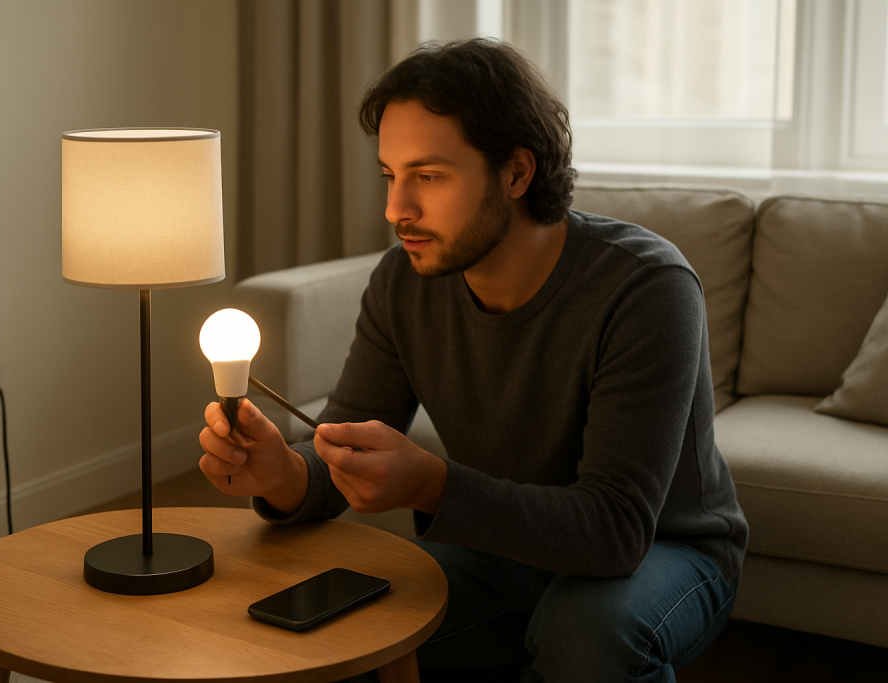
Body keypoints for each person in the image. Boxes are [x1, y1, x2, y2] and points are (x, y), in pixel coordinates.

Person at [199, 38, 748, 682]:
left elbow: (615, 532)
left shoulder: (647, 287)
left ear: (517, 173)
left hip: (664, 547)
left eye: (428, 176)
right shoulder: (403, 283)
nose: (395, 210)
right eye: (390, 175)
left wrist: (432, 483)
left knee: (586, 633)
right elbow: (338, 444)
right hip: (507, 547)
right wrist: (283, 473)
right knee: (342, 632)